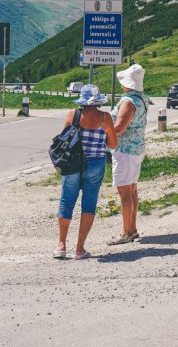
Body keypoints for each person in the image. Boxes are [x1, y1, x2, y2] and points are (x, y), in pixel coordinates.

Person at [54, 85, 117, 260]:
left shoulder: (72, 115)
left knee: (66, 201)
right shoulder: (105, 118)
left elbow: (63, 138)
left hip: (72, 163)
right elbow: (113, 144)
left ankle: (61, 246)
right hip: (96, 163)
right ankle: (80, 249)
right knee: (88, 204)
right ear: (98, 101)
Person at [106, 64, 151, 245]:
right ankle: (132, 229)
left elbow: (118, 128)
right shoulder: (141, 98)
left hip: (124, 150)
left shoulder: (128, 102)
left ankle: (126, 232)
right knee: (131, 189)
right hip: (136, 148)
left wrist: (103, 133)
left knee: (124, 191)